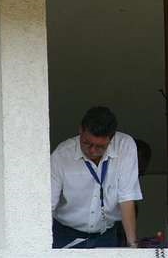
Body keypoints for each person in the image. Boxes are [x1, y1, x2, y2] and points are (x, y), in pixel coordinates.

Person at [51, 106, 142, 248]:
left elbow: (127, 198)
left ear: (111, 138)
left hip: (106, 234)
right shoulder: (61, 156)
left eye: (100, 147)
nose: (92, 151)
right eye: (86, 143)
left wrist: (133, 245)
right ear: (80, 130)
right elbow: (47, 205)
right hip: (65, 233)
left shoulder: (125, 146)